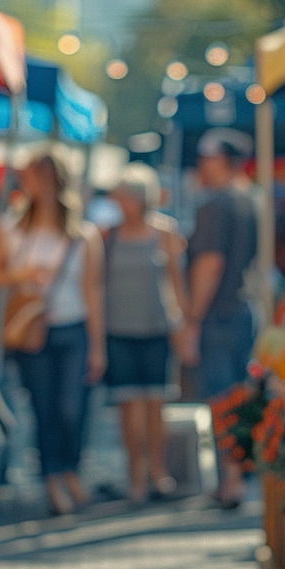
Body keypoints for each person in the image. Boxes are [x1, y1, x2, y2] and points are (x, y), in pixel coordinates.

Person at [0, 151, 107, 516]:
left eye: (35, 177)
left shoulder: (83, 234)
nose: (27, 184)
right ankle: (54, 479)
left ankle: (70, 471)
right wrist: (21, 276)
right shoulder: (11, 226)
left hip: (73, 328)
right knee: (44, 408)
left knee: (73, 408)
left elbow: (93, 290)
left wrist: (98, 346)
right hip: (31, 331)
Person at [176, 131, 258, 507]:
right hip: (240, 310)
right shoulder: (248, 200)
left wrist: (192, 319)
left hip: (217, 315)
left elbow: (209, 264)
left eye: (206, 157)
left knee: (222, 402)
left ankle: (231, 479)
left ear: (224, 160)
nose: (200, 164)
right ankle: (234, 476)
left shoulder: (214, 205)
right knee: (237, 400)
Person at [103, 163, 186, 505]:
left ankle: (158, 472)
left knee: (156, 404)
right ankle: (135, 477)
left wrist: (184, 325)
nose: (124, 204)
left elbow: (176, 282)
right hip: (118, 329)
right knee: (128, 406)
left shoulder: (165, 232)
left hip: (156, 328)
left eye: (130, 197)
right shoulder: (107, 236)